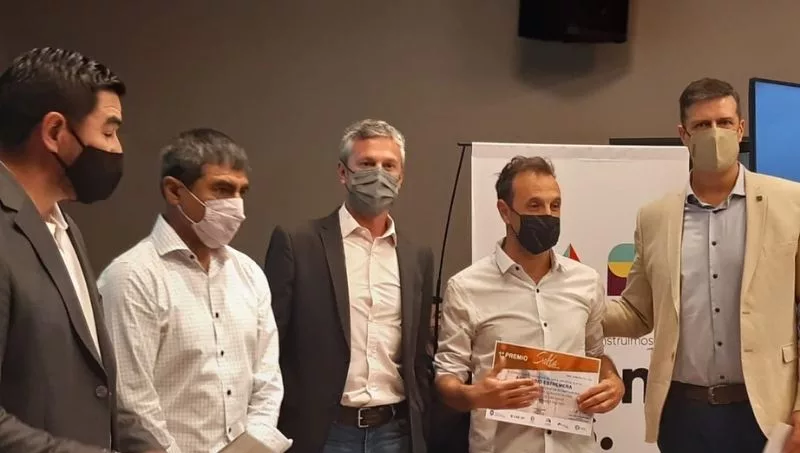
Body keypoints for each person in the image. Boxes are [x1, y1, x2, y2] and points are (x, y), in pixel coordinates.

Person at [603, 78, 800, 453]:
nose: (715, 133)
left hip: (766, 413)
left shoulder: (792, 204)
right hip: (683, 415)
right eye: (702, 125)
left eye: (724, 123)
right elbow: (636, 313)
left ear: (740, 128)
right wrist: (572, 304)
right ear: (683, 134)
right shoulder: (654, 218)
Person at [0, 47, 163, 453]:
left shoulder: (65, 227)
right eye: (108, 132)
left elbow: (98, 387)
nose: (117, 148)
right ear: (55, 132)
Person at [97, 128, 291, 453]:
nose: (237, 206)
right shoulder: (132, 278)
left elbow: (267, 382)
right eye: (222, 189)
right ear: (175, 191)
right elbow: (132, 404)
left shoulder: (248, 274)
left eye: (241, 192)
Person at [263, 119, 434, 453]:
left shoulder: (417, 255)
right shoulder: (298, 243)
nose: (379, 174)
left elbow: (418, 354)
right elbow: (271, 344)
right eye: (367, 164)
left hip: (395, 432)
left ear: (401, 176)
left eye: (389, 165)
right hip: (324, 433)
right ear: (343, 172)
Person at [434, 156, 625, 453]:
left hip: (572, 447)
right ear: (505, 211)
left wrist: (613, 382)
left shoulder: (586, 281)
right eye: (535, 205)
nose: (547, 215)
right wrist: (474, 395)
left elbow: (595, 355)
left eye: (555, 205)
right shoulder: (466, 287)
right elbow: (447, 375)